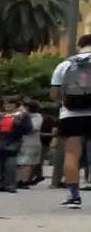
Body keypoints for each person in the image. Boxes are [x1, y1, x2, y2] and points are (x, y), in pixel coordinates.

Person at [50, 34, 91, 208]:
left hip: (71, 115)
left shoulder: (65, 65)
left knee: (72, 154)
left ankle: (74, 196)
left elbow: (54, 95)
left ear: (79, 46)